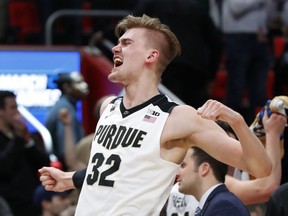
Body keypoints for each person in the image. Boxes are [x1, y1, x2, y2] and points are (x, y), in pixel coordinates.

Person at [39, 14, 272, 215]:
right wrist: (69, 179)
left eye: (126, 43)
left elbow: (261, 169)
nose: (115, 48)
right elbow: (120, 168)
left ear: (151, 56)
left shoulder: (178, 118)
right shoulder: (108, 108)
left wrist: (238, 122)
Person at [133, 0, 223, 108]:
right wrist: (211, 75)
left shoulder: (151, 3)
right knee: (195, 113)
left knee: (166, 110)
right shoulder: (196, 6)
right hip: (194, 67)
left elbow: (131, 27)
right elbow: (215, 42)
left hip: (165, 65)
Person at [209, 0, 273, 124]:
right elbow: (236, 8)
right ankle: (228, 129)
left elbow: (268, 14)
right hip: (237, 37)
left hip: (260, 37)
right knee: (235, 88)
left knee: (259, 91)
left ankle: (257, 130)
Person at [0, 90, 50, 216]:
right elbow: (4, 167)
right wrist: (18, 138)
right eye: (13, 107)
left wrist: (28, 141)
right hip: (8, 204)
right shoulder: (17, 135)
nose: (17, 112)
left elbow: (44, 163)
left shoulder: (24, 133)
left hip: (32, 201)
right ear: (1, 111)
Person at [178, 146, 250, 216]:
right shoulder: (217, 204)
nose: (177, 173)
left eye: (183, 165)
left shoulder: (223, 206)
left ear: (204, 168)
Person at [45, 71, 89, 170]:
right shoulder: (64, 110)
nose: (85, 85)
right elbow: (65, 153)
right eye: (79, 83)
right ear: (67, 88)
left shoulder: (67, 106)